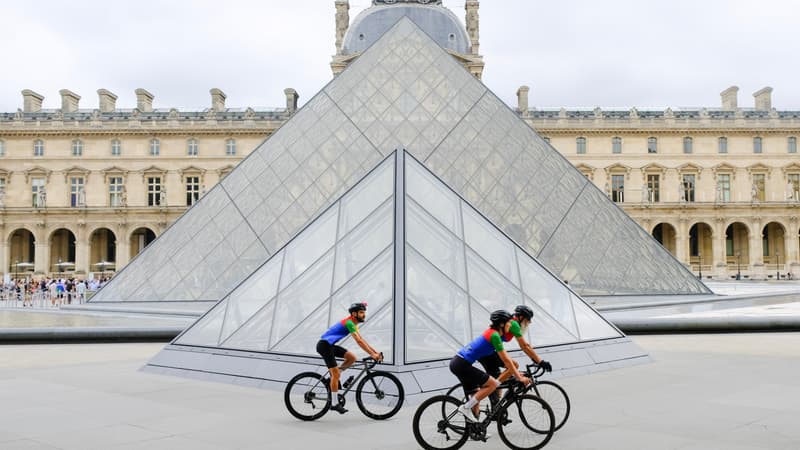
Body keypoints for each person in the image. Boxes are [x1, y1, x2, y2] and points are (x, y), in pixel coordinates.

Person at [450, 310, 531, 423]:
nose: (510, 325)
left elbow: (507, 361)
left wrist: (516, 374)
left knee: (476, 395)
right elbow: (506, 360)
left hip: (459, 363)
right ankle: (465, 408)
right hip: (462, 364)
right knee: (492, 384)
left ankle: (475, 428)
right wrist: (519, 378)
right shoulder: (494, 335)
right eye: (508, 323)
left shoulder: (494, 333)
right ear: (502, 324)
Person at [317, 301, 383, 414]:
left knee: (352, 358)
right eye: (361, 312)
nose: (364, 315)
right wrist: (372, 355)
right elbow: (358, 341)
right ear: (354, 314)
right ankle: (334, 404)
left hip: (330, 345)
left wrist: (375, 352)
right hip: (324, 346)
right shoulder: (349, 323)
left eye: (364, 312)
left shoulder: (353, 324)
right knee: (336, 374)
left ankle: (333, 377)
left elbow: (361, 339)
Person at [477, 305, 552, 404]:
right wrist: (540, 361)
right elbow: (524, 346)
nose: (530, 322)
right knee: (511, 368)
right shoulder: (514, 324)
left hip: (489, 352)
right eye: (528, 319)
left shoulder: (511, 322)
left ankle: (497, 407)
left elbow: (526, 345)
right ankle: (491, 401)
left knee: (502, 376)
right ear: (521, 317)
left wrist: (535, 358)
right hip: (486, 354)